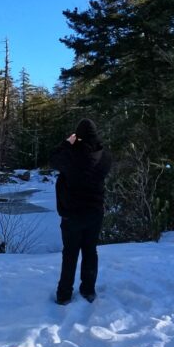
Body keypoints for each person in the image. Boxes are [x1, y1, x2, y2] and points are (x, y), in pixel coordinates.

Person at [50, 118, 112, 305]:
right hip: (95, 212)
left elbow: (53, 160)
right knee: (90, 251)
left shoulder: (72, 155)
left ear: (78, 136)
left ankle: (64, 294)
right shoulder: (104, 156)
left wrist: (66, 144)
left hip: (72, 213)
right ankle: (88, 290)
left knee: (70, 254)